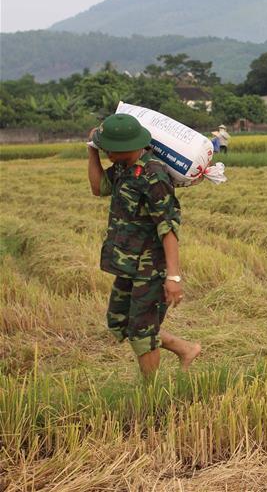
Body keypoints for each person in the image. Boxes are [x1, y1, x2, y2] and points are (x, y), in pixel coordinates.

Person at [88, 114, 200, 377]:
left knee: (141, 332)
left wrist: (173, 276)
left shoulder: (154, 175)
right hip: (128, 262)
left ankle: (151, 396)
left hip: (151, 265)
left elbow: (168, 227)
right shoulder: (122, 166)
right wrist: (91, 151)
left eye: (108, 150)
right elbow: (98, 187)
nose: (107, 154)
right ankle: (185, 348)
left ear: (125, 147)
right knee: (120, 322)